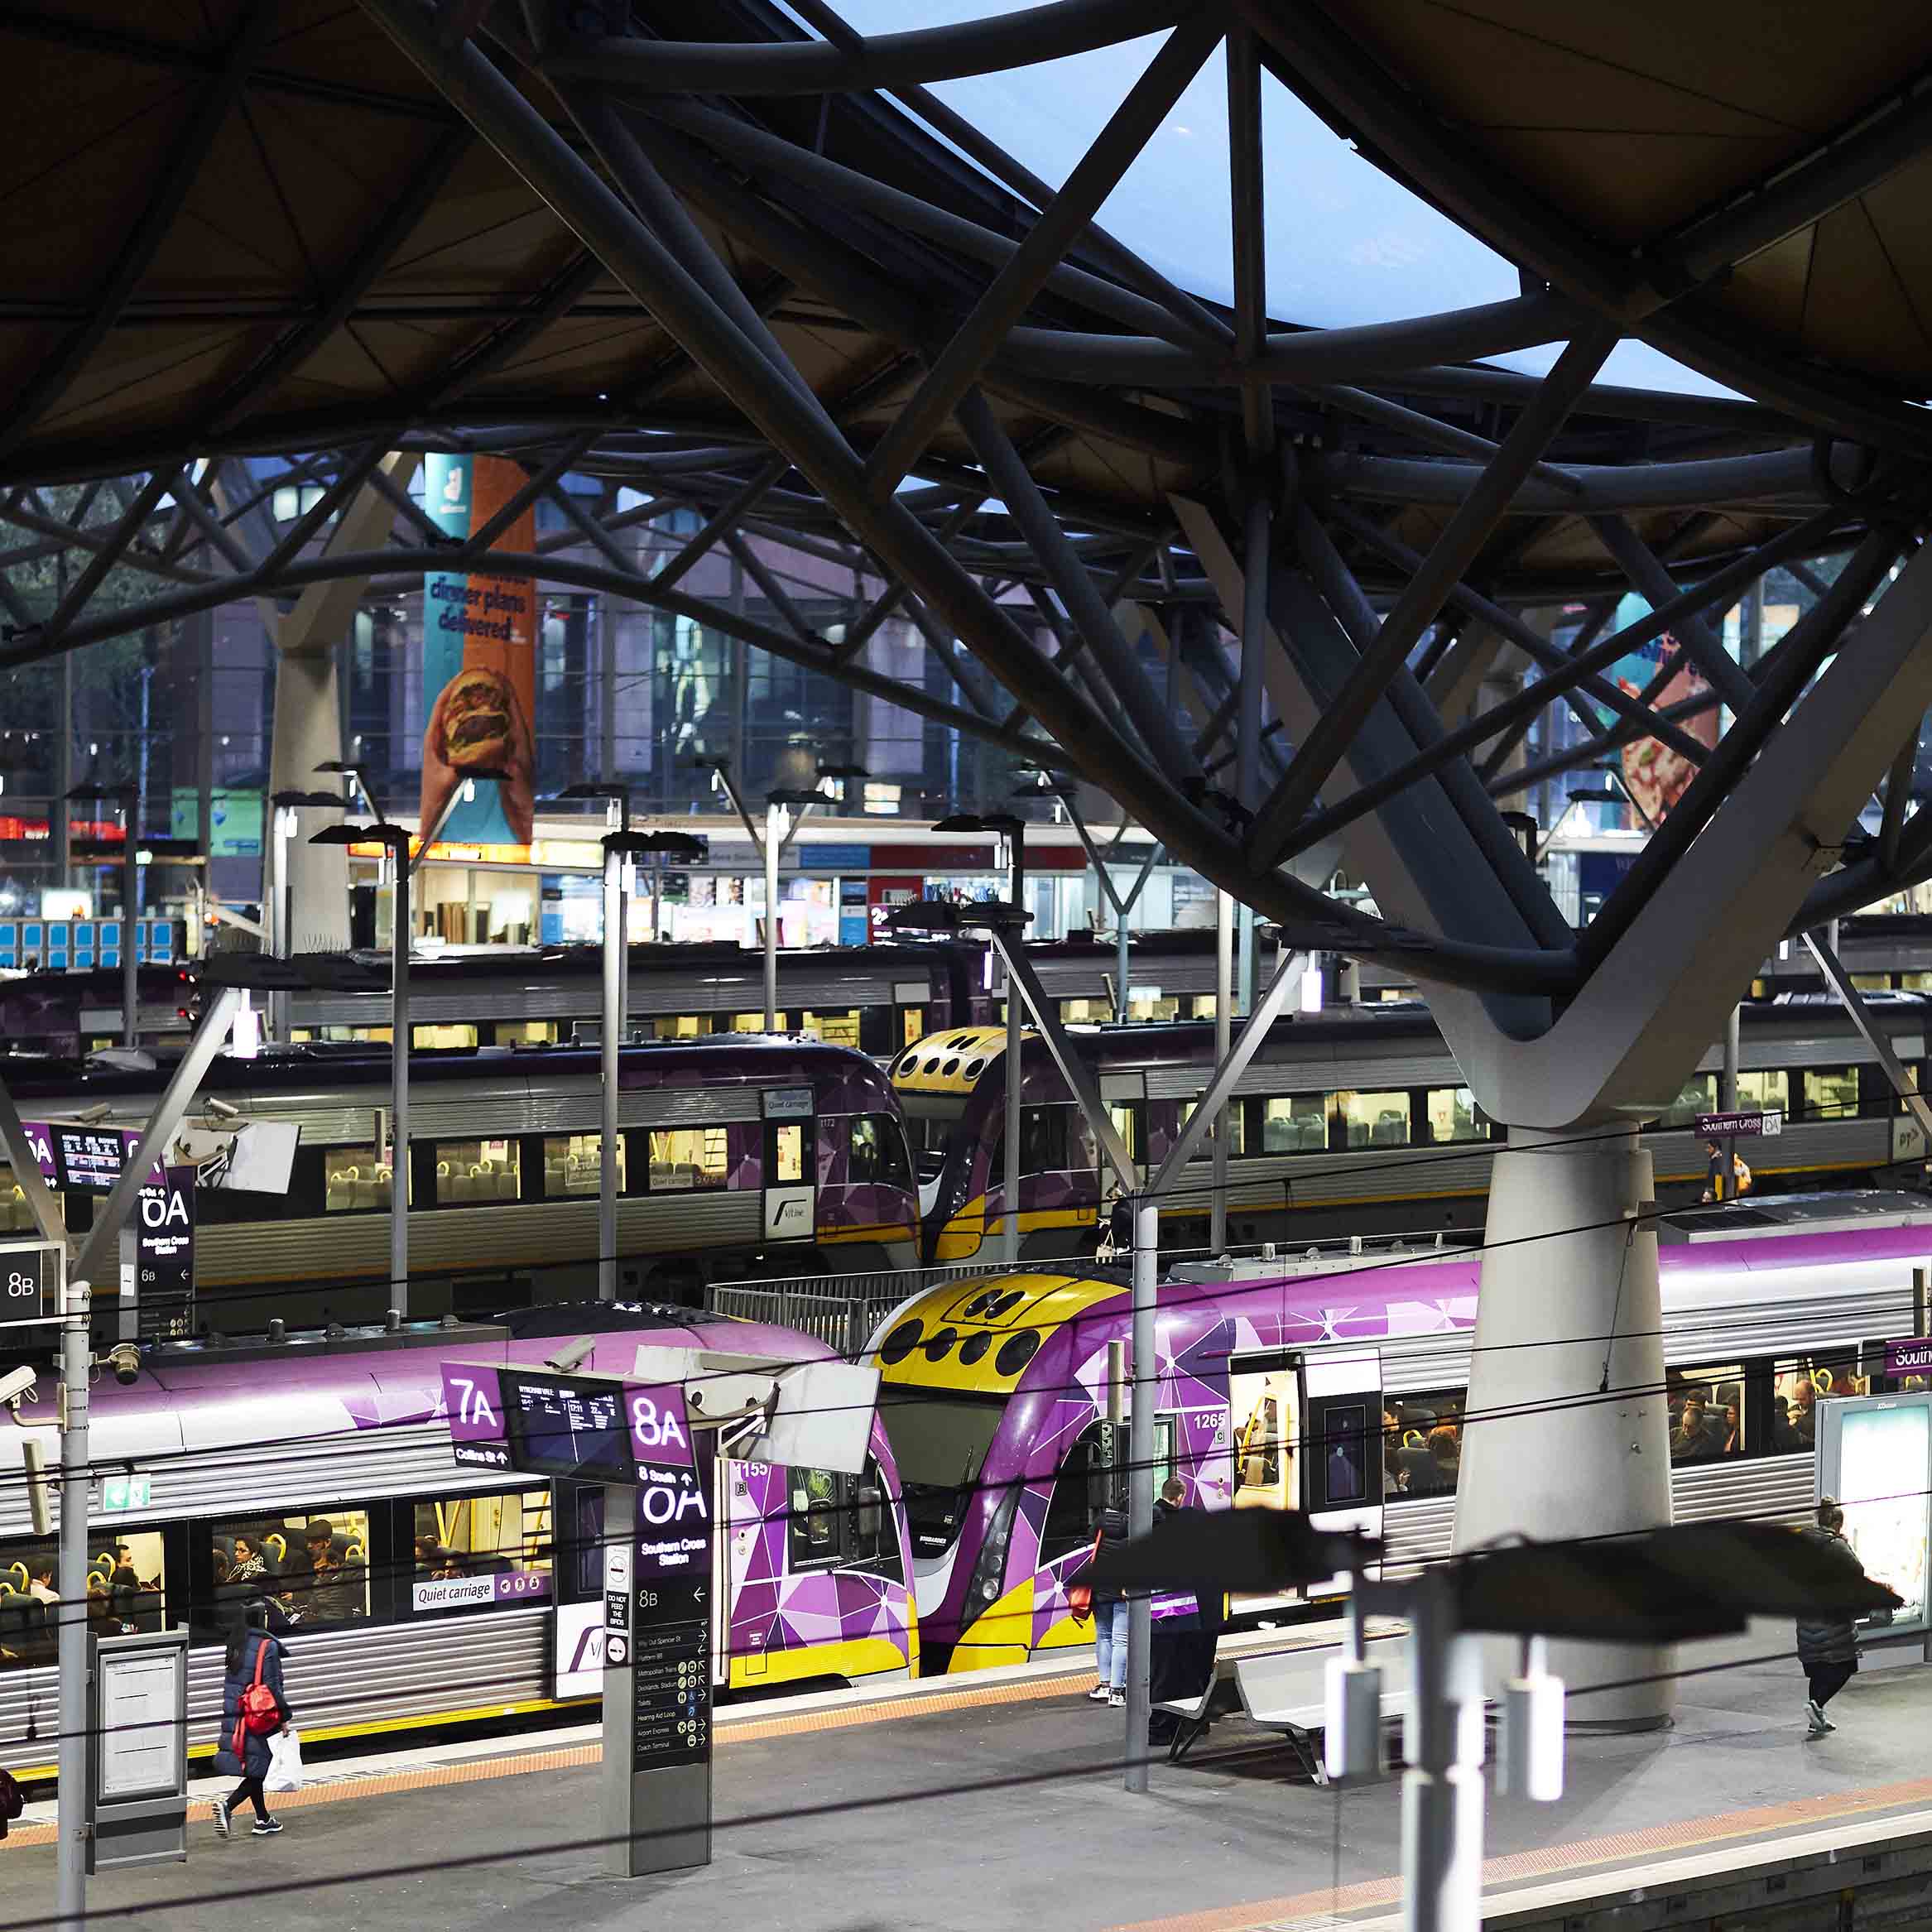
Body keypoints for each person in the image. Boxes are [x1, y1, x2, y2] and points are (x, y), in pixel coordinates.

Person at [210, 1600, 292, 1839]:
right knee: (260, 1768)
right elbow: (273, 1686)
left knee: (255, 1767)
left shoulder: (236, 1643)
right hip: (259, 1716)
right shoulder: (268, 1646)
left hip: (237, 1713)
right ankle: (228, 1806)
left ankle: (263, 1819)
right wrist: (285, 1717)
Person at [1796, 1497, 1868, 1737]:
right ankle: (1816, 1704)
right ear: (1837, 1522)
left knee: (1817, 1667)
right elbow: (1857, 1571)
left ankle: (1815, 1718)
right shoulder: (1835, 1545)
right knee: (1846, 1666)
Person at [1086, 1504, 1129, 1710]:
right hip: (1120, 1591)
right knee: (1121, 1640)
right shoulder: (1133, 1526)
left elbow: (1090, 1540)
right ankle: (1117, 1690)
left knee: (1103, 1635)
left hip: (1099, 1589)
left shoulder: (1100, 1523)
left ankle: (1104, 1685)